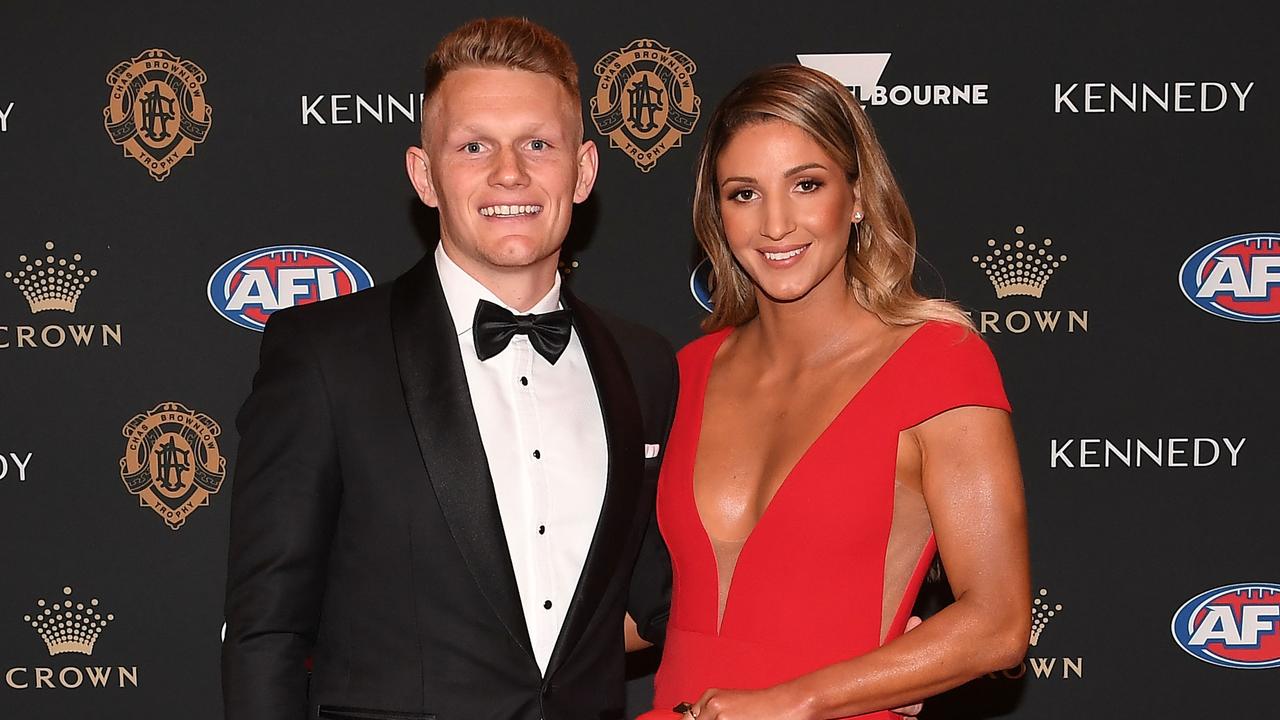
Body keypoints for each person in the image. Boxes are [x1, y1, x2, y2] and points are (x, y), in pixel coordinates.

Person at [221, 18, 677, 720]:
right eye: (473, 146)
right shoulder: (325, 355)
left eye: (537, 143)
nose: (510, 173)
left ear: (582, 170)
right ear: (424, 175)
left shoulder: (642, 363)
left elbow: (663, 595)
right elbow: (267, 631)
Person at [640, 65, 1031, 720]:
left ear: (855, 197)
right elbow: (646, 606)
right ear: (718, 213)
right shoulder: (685, 373)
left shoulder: (939, 362)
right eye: (744, 194)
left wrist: (796, 701)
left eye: (806, 185)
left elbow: (997, 623)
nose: (775, 224)